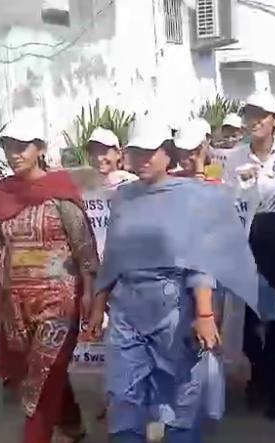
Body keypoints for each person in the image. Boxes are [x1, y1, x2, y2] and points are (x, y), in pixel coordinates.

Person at [85, 116, 261, 442]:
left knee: (183, 396)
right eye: (137, 152)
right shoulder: (124, 197)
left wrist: (204, 314)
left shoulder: (192, 196)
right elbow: (113, 256)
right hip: (128, 310)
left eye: (150, 152)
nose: (143, 160)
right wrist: (98, 306)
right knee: (124, 394)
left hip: (174, 309)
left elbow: (201, 259)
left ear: (167, 153)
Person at [0, 112, 99, 443]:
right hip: (15, 308)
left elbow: (84, 247)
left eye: (22, 147)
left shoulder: (60, 192)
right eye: (8, 147)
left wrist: (90, 293)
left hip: (59, 305)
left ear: (40, 149)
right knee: (38, 372)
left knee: (42, 381)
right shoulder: (0, 195)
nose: (14, 154)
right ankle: (72, 422)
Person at [223, 90, 275, 420]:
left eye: (261, 115)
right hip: (246, 240)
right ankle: (257, 378)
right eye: (249, 114)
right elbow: (226, 201)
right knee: (250, 318)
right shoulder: (234, 157)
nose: (253, 121)